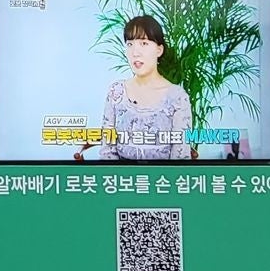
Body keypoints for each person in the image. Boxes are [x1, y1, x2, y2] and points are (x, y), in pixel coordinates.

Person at [76, 15, 191, 162]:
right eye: (130, 44)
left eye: (144, 43)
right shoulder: (116, 92)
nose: (135, 52)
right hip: (119, 176)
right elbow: (107, 153)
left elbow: (180, 160)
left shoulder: (178, 97)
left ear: (159, 50)